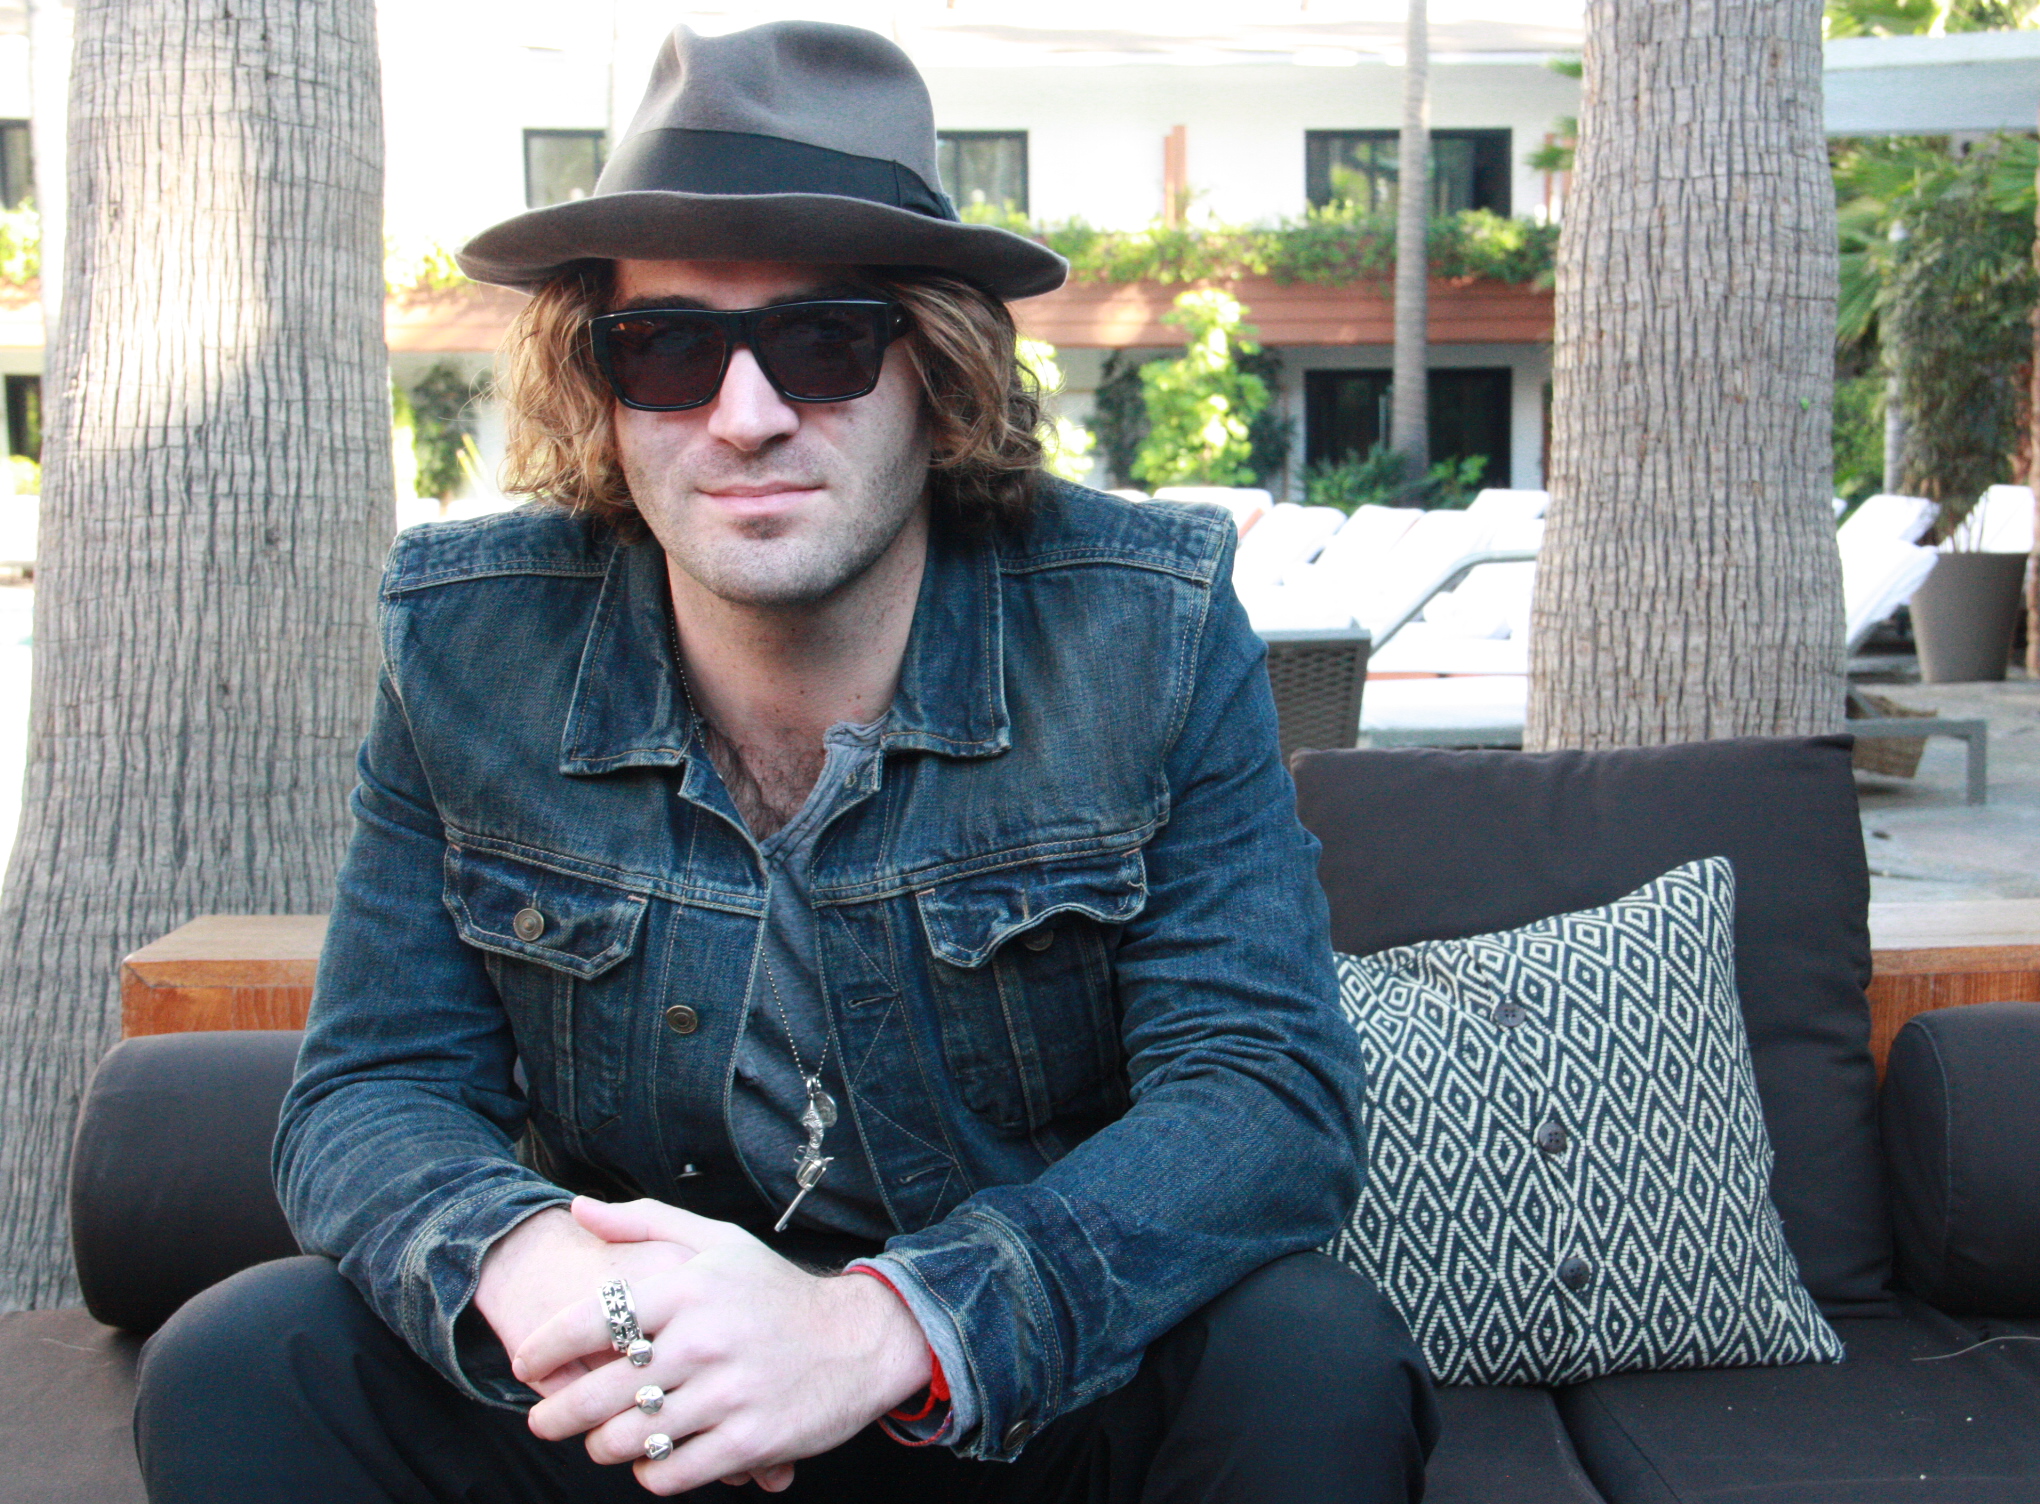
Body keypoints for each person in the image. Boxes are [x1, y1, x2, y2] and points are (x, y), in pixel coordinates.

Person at [135, 20, 1435, 1503]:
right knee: (249, 1358)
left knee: (1308, 1353)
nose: (745, 419)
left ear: (938, 367)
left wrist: (873, 1328)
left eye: (823, 343)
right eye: (668, 348)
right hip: (640, 1398)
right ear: (600, 381)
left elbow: (1263, 1093)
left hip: (1004, 1387)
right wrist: (545, 1266)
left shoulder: (1146, 625)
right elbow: (371, 1087)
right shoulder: (471, 640)